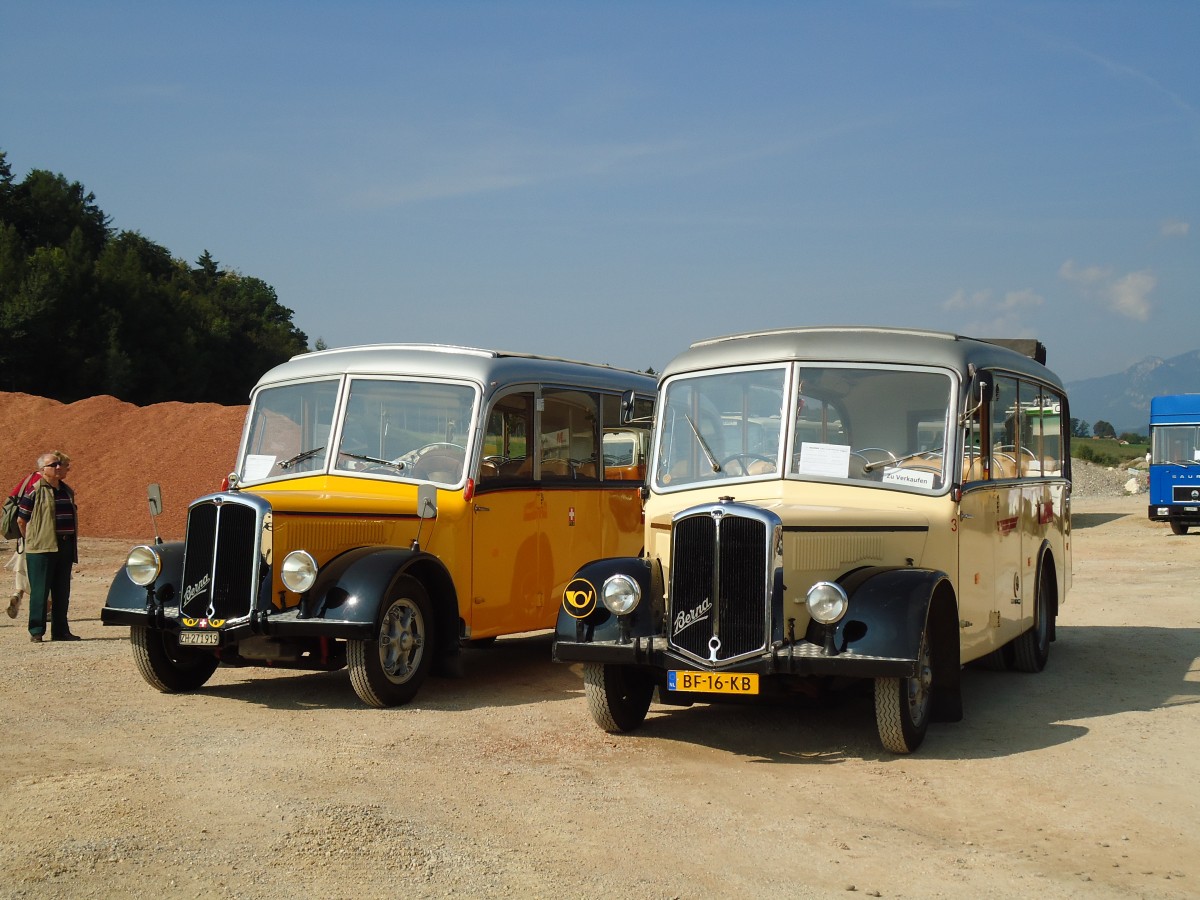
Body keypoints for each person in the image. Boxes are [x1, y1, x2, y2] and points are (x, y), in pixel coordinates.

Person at [17, 451, 79, 642]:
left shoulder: (66, 491)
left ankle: (61, 631)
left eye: (59, 464)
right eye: (53, 465)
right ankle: (36, 631)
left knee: (62, 591)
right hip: (41, 549)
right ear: (43, 470)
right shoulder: (34, 490)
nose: (58, 467)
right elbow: (21, 520)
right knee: (40, 591)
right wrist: (33, 541)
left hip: (65, 546)